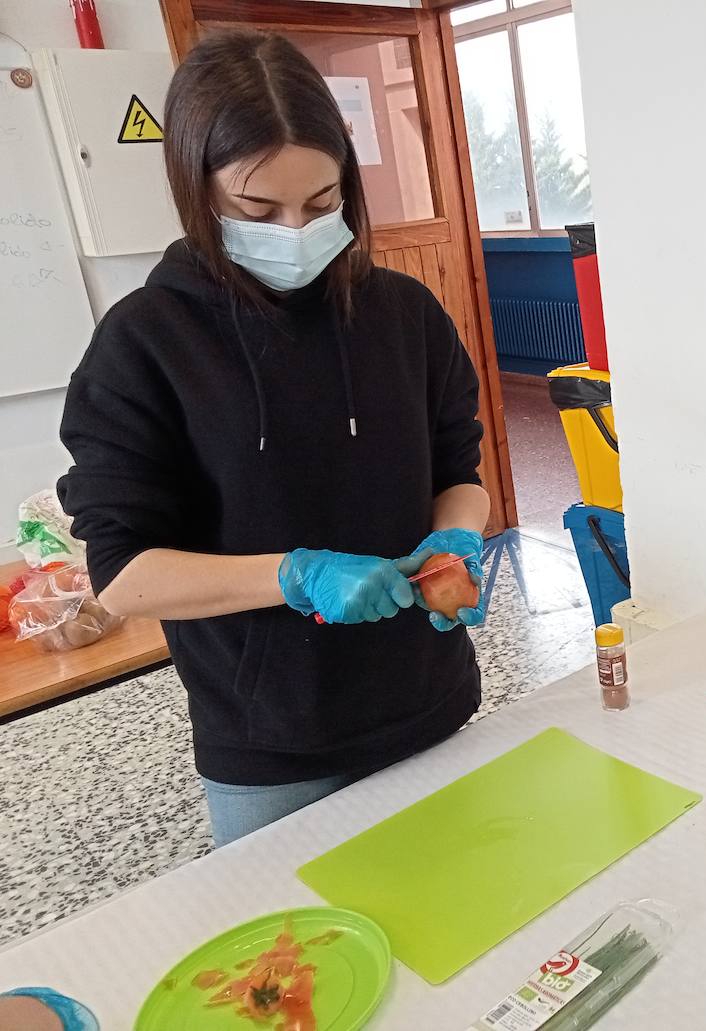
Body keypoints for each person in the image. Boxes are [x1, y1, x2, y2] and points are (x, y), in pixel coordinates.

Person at [58, 31, 489, 845]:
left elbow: (457, 468)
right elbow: (126, 578)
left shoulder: (405, 316)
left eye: (322, 203)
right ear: (198, 191)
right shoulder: (146, 344)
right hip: (273, 743)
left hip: (430, 698)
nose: (295, 231)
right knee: (294, 960)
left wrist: (458, 533)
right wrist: (295, 575)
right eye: (257, 210)